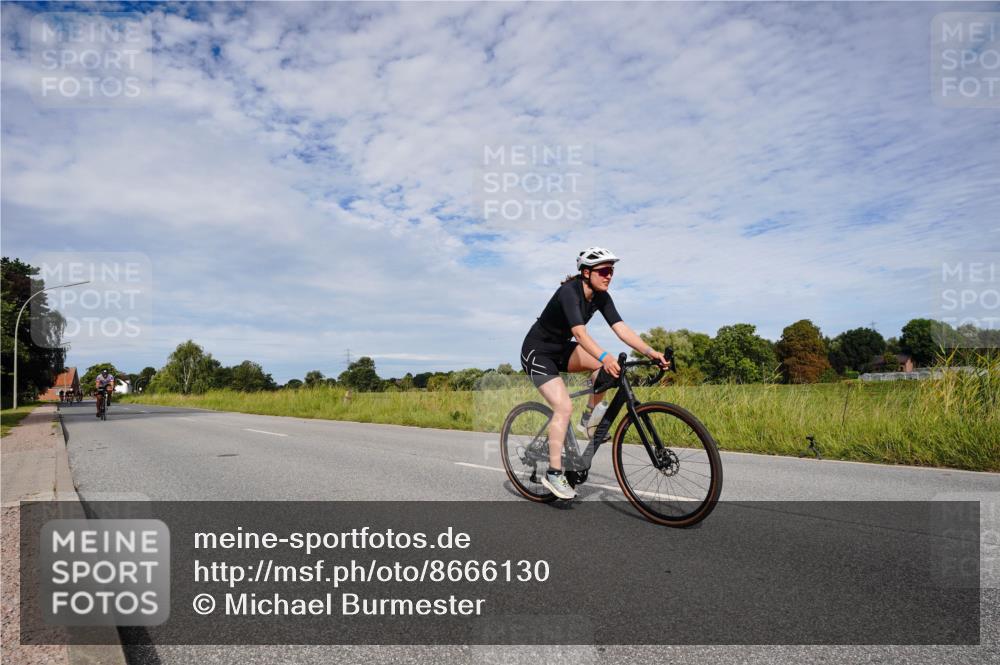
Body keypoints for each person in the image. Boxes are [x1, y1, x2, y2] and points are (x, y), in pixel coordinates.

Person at [520, 247, 670, 500]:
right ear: (586, 272)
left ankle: (588, 418)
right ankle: (554, 473)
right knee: (564, 406)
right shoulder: (569, 292)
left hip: (561, 350)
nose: (609, 275)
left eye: (611, 271)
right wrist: (605, 356)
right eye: (603, 271)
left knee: (606, 371)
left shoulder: (601, 297)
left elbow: (621, 329)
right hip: (537, 352)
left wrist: (650, 352)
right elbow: (580, 334)